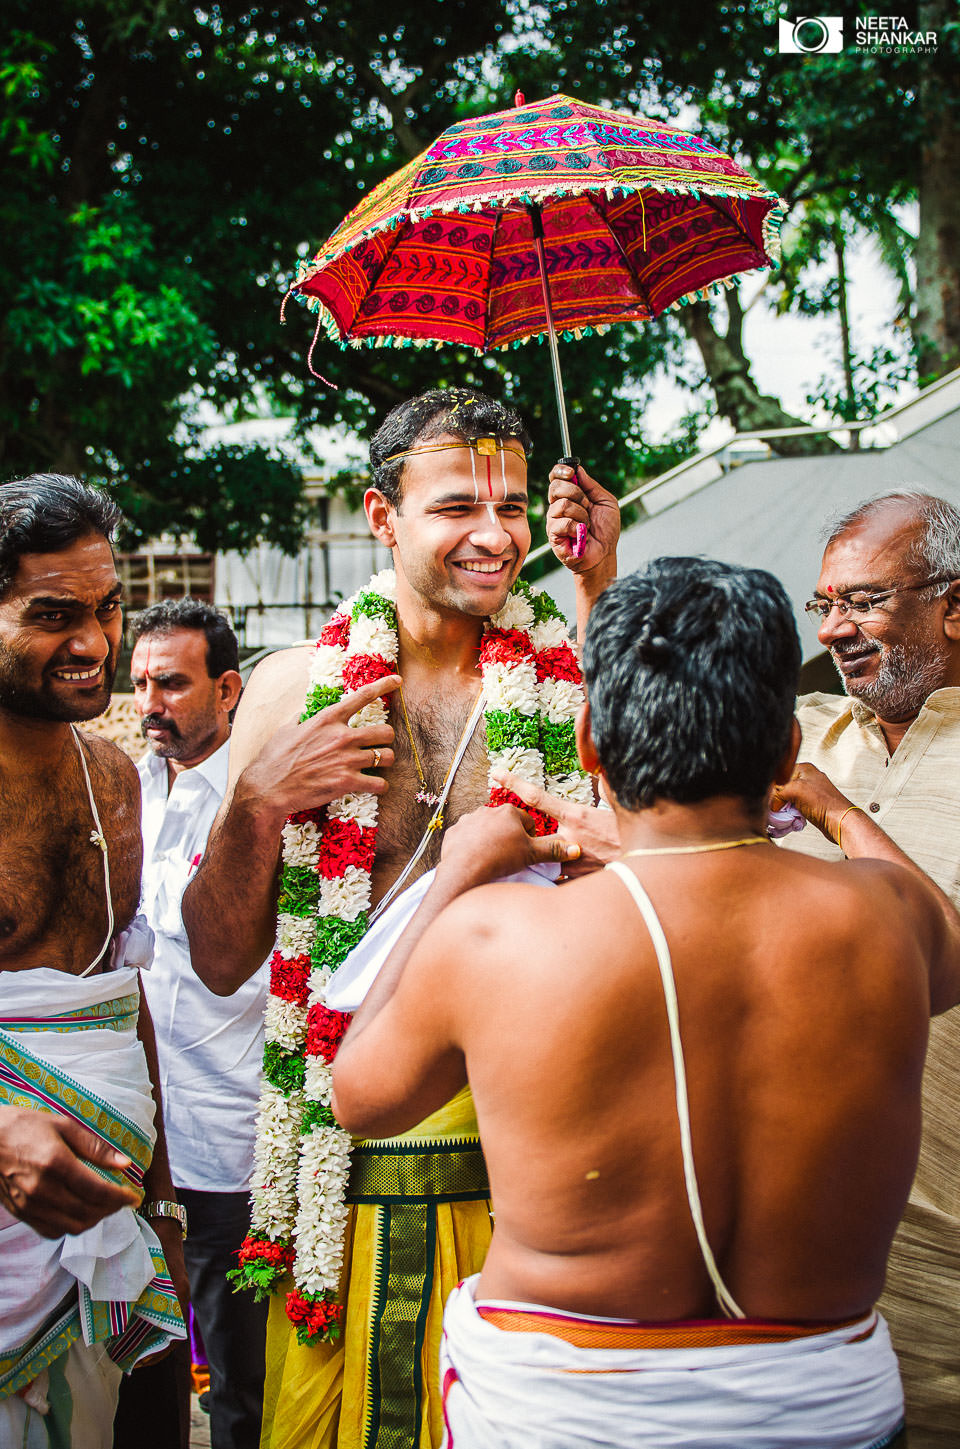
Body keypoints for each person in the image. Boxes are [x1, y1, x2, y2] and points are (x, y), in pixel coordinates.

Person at [331, 556, 960, 1449]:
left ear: (588, 742)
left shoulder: (496, 937)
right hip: (822, 1407)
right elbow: (950, 947)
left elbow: (360, 1096)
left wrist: (456, 873)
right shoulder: (887, 920)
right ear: (788, 748)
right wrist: (837, 810)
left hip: (562, 1411)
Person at [182, 390, 589, 1449]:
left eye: (509, 504)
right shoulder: (291, 692)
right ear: (381, 515)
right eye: (457, 505)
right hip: (333, 1148)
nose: (495, 535)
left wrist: (601, 584)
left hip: (528, 1160)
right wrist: (259, 801)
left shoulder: (571, 687)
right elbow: (222, 958)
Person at [0, 474, 186, 1448]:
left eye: (107, 607)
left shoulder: (111, 777)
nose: (95, 642)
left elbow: (125, 991)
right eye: (53, 615)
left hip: (115, 1241)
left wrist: (164, 1208)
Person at [770, 491, 960, 1448]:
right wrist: (596, 581)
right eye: (824, 605)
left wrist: (839, 811)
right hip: (787, 1296)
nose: (836, 631)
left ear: (954, 607)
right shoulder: (799, 733)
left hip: (945, 1281)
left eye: (866, 602)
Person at [114, 599, 268, 1449]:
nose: (149, 703)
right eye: (140, 683)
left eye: (172, 683)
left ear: (228, 687)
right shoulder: (122, 790)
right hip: (128, 1139)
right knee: (141, 1368)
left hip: (223, 1144)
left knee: (238, 1381)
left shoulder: (257, 806)